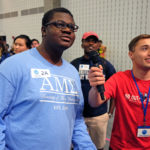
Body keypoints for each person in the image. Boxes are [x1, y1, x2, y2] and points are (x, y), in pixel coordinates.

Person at [0, 7, 97, 150]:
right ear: (43, 30)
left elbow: (76, 120)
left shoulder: (72, 72)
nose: (67, 30)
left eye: (71, 27)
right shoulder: (12, 66)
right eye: (60, 25)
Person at [88, 34, 150, 149]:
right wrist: (95, 87)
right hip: (120, 147)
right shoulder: (119, 78)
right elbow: (95, 102)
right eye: (145, 48)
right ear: (131, 54)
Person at [71, 31, 116, 150]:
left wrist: (110, 112)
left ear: (98, 45)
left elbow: (114, 90)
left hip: (98, 116)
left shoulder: (105, 64)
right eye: (87, 41)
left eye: (94, 41)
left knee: (98, 147)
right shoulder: (74, 64)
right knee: (75, 146)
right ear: (82, 44)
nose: (91, 43)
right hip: (78, 116)